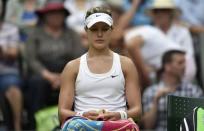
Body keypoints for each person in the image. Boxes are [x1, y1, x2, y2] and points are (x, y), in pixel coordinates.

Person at [59, 7, 142, 130]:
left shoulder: (126, 64)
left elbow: (137, 111)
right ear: (86, 31)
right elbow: (62, 112)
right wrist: (83, 115)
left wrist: (119, 114)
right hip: (83, 124)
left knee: (130, 126)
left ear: (111, 30)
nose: (99, 34)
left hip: (118, 124)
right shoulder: (72, 67)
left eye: (104, 29)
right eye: (94, 29)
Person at [24, 0, 85, 129]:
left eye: (59, 13)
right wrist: (49, 76)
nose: (56, 16)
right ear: (44, 16)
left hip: (68, 71)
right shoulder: (34, 34)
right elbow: (31, 59)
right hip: (42, 72)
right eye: (52, 13)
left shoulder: (72, 34)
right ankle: (34, 125)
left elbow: (79, 57)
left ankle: (76, 124)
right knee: (37, 83)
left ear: (64, 16)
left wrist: (64, 76)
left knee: (80, 83)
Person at [141, 50, 203, 131]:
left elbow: (201, 123)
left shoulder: (194, 90)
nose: (184, 66)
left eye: (185, 62)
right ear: (167, 66)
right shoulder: (151, 92)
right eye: (180, 63)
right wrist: (156, 101)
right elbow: (147, 126)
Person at [147, 0, 196, 82]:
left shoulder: (183, 32)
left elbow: (188, 57)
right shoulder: (149, 33)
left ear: (170, 13)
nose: (159, 14)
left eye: (163, 10)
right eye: (156, 11)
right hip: (155, 79)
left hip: (181, 77)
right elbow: (147, 60)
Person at [125, 25, 182, 91]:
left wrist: (145, 77)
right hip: (168, 68)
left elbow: (132, 45)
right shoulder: (141, 30)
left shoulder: (129, 36)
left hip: (177, 63)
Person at [0, 14, 23, 131]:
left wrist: (2, 51)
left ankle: (17, 126)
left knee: (13, 87)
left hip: (7, 71)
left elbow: (13, 53)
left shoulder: (11, 29)